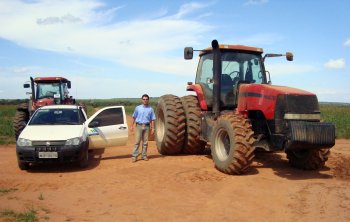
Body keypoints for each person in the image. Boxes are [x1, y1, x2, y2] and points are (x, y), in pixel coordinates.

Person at [131, 94, 156, 162]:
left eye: (146, 99)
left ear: (148, 100)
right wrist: (131, 125)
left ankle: (144, 156)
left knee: (145, 143)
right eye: (144, 99)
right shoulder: (138, 108)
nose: (145, 100)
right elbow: (134, 117)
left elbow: (152, 119)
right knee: (137, 142)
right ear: (142, 100)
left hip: (147, 126)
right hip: (139, 126)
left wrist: (153, 128)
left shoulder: (151, 109)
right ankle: (134, 156)